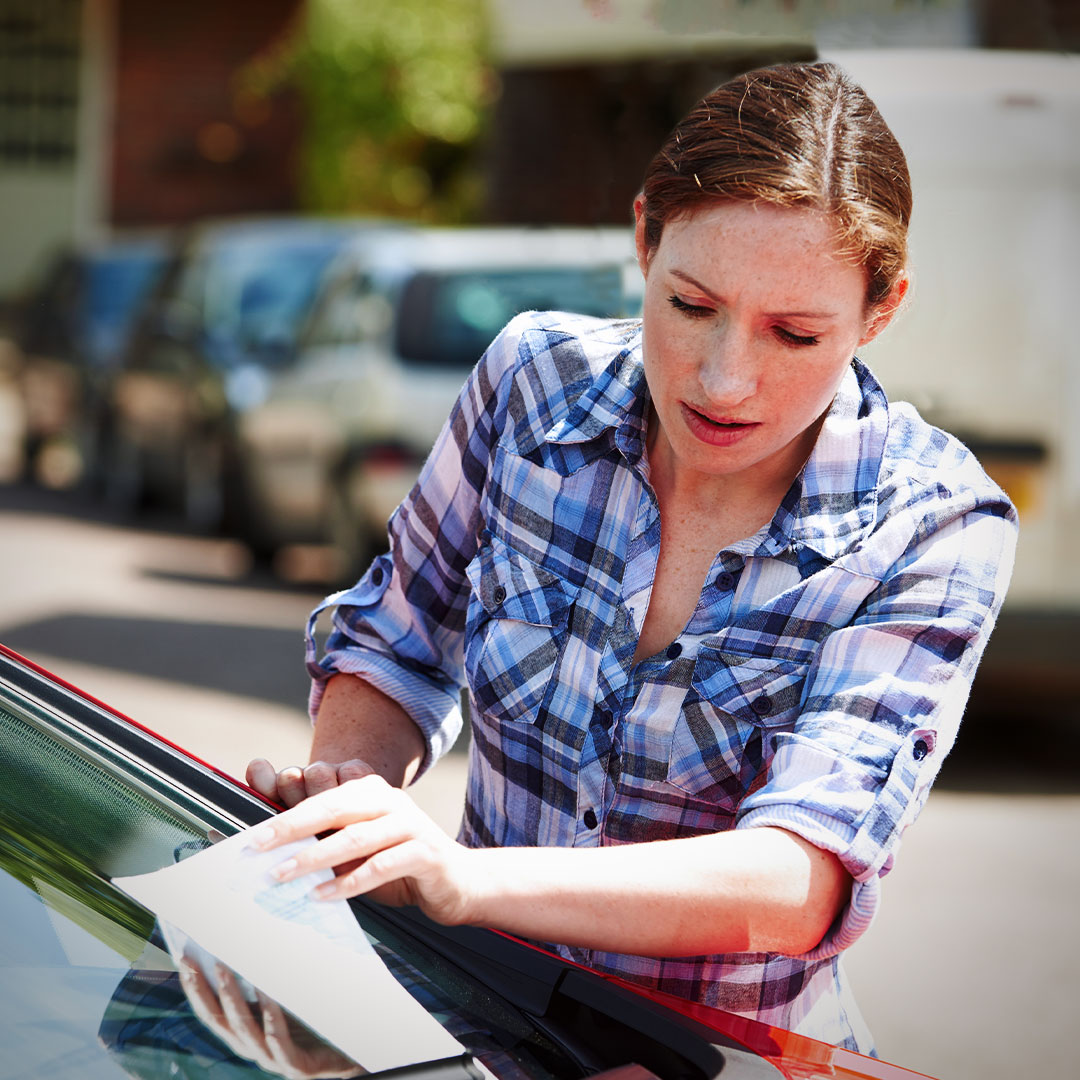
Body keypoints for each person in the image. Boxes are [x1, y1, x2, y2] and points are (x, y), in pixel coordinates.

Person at [244, 60, 1017, 1053]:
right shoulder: (530, 383)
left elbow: (798, 876)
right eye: (692, 305)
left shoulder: (938, 523)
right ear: (645, 237)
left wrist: (465, 880)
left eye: (795, 333)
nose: (726, 379)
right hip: (477, 1018)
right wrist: (347, 810)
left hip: (723, 1059)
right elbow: (395, 640)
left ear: (880, 312)